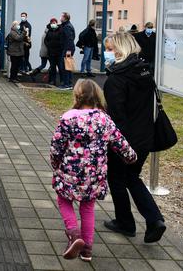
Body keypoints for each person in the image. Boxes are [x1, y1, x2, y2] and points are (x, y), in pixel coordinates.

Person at [51, 79, 137, 261]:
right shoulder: (104, 119)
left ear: (77, 95)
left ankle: (74, 234)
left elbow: (57, 145)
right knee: (88, 207)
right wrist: (131, 157)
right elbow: (120, 142)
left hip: (69, 172)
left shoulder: (68, 118)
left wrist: (55, 162)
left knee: (64, 200)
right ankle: (87, 249)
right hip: (94, 175)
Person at [102, 33, 167, 243]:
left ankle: (125, 223)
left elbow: (116, 116)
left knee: (117, 179)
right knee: (132, 177)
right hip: (145, 137)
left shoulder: (116, 79)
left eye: (110, 49)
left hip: (124, 139)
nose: (107, 53)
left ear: (120, 50)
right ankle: (154, 220)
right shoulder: (144, 71)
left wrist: (113, 142)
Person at [59, 12, 76, 89]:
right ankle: (68, 84)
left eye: (61, 17)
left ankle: (67, 84)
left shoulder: (67, 27)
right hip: (67, 48)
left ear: (65, 18)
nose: (60, 18)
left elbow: (70, 39)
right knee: (67, 66)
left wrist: (68, 51)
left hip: (68, 49)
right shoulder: (65, 25)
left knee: (66, 66)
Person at [45, 18, 63, 86]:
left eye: (54, 23)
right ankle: (53, 80)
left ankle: (62, 81)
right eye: (51, 23)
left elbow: (62, 40)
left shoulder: (60, 30)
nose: (53, 24)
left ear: (56, 23)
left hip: (59, 53)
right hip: (51, 52)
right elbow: (46, 40)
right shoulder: (49, 31)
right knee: (52, 67)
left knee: (60, 67)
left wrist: (59, 46)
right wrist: (49, 45)